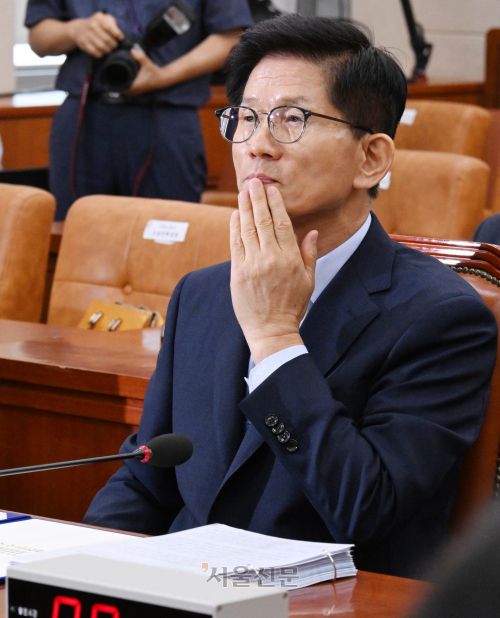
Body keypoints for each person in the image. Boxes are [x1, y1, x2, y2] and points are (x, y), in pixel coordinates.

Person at [84, 14, 497, 578]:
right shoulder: (200, 294)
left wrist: (276, 337)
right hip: (181, 590)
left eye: (291, 120)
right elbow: (145, 475)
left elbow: (367, 507)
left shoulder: (442, 317)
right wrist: (87, 572)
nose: (258, 145)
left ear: (371, 158)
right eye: (246, 118)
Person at [24, 1, 253, 220]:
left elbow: (230, 37)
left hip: (168, 115)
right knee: (75, 227)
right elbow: (38, 37)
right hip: (85, 115)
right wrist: (75, 31)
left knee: (170, 227)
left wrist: (163, 76)